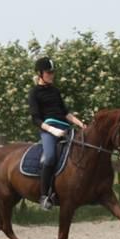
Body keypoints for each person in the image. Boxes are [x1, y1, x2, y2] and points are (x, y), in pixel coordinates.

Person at [28, 57, 86, 210]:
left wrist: (81, 124)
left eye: (53, 72)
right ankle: (44, 196)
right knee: (50, 157)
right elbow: (35, 119)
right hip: (49, 130)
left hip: (66, 128)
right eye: (49, 72)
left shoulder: (55, 91)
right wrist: (53, 130)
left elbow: (65, 113)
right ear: (40, 74)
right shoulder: (34, 93)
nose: (52, 75)